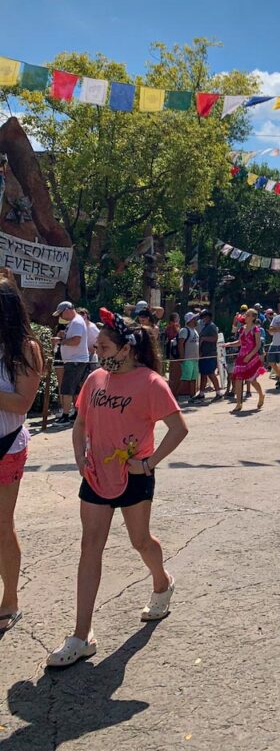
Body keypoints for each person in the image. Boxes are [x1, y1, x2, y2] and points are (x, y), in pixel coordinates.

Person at [46, 310, 188, 667]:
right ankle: (82, 635)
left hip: (134, 475)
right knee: (90, 545)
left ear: (126, 349)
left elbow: (178, 429)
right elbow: (80, 424)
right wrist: (80, 457)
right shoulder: (95, 379)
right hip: (95, 475)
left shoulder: (151, 383)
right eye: (96, 347)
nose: (98, 353)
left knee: (140, 541)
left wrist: (148, 463)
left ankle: (162, 582)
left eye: (105, 346)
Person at [0, 279, 43, 635]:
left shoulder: (26, 349)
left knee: (2, 525)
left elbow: (22, 403)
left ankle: (10, 598)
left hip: (6, 446)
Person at [52, 301, 91, 422]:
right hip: (75, 360)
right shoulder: (75, 322)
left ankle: (65, 416)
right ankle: (76, 413)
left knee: (67, 389)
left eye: (61, 313)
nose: (60, 317)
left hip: (75, 360)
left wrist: (60, 342)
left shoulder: (77, 322)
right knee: (75, 389)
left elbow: (76, 341)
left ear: (67, 310)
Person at [227, 309, 267, 412]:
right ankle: (239, 403)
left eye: (248, 315)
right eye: (246, 314)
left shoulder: (256, 329)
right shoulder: (242, 329)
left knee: (252, 380)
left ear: (253, 317)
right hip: (241, 356)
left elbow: (258, 345)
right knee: (238, 379)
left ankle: (261, 395)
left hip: (251, 357)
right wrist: (229, 344)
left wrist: (250, 356)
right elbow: (240, 342)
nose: (246, 316)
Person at [196, 310, 223, 401]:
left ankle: (219, 393)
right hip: (204, 354)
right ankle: (201, 393)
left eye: (204, 316)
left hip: (210, 354)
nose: (203, 319)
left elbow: (215, 338)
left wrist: (204, 338)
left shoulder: (212, 326)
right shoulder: (205, 326)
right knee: (203, 373)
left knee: (211, 373)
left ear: (208, 317)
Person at [177, 312, 200, 401]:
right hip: (187, 358)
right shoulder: (184, 330)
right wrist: (182, 356)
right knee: (185, 378)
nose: (196, 320)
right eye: (194, 319)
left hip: (195, 359)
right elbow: (180, 343)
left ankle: (192, 396)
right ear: (190, 320)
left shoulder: (195, 330)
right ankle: (176, 395)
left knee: (193, 378)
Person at [164, 312, 182, 397]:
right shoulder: (170, 328)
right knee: (174, 373)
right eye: (176, 319)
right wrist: (176, 328)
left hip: (176, 352)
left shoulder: (176, 327)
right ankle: (173, 392)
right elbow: (173, 337)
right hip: (173, 352)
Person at [78, 308, 100, 376]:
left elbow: (99, 342)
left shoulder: (92, 327)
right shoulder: (81, 327)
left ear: (85, 316)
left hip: (94, 355)